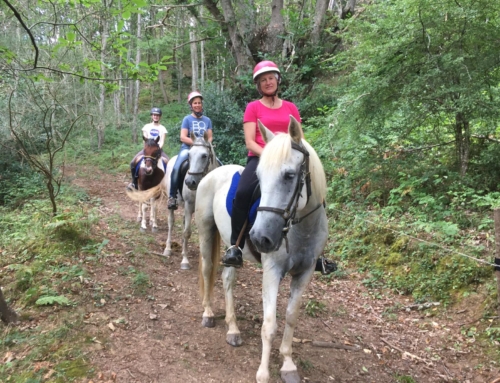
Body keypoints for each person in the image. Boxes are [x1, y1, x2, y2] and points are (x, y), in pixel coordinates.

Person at [221, 60, 303, 268]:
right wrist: (272, 154)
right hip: (260, 158)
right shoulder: (253, 107)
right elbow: (250, 141)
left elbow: (298, 138)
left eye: (271, 78)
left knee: (311, 192)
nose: (268, 82)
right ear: (258, 85)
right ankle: (235, 246)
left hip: (288, 159)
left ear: (277, 80)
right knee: (243, 193)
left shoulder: (291, 107)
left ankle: (315, 249)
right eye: (263, 80)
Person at [167, 91, 213, 210]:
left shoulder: (207, 120)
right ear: (191, 105)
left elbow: (210, 136)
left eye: (199, 103)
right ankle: (172, 196)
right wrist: (197, 144)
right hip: (188, 148)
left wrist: (204, 144)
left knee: (219, 164)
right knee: (177, 168)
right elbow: (183, 137)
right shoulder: (187, 119)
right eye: (195, 103)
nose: (197, 105)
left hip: (204, 149)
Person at [128, 107, 169, 191]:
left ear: (160, 117)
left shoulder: (162, 128)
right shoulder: (146, 127)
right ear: (152, 116)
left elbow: (161, 142)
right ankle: (134, 182)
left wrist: (157, 149)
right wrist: (148, 149)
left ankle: (168, 183)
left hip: (157, 150)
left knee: (169, 163)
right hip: (147, 150)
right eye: (154, 115)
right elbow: (145, 140)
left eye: (157, 115)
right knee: (133, 162)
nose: (156, 117)